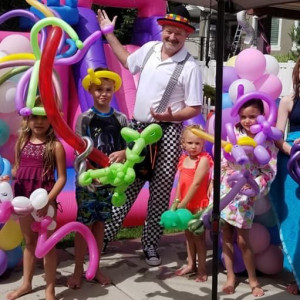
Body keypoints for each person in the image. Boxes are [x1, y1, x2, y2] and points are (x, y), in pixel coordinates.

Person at [98, 5, 202, 266]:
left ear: (186, 35)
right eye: (169, 31)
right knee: (127, 182)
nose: (172, 37)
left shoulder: (189, 66)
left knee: (160, 190)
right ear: (162, 30)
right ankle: (103, 239)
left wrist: (172, 117)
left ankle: (150, 244)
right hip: (138, 128)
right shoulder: (149, 50)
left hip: (167, 134)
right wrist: (109, 34)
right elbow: (126, 61)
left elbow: (195, 107)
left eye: (178, 33)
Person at [67, 67, 128, 289]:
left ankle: (96, 267)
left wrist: (123, 153)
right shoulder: (85, 118)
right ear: (91, 91)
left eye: (108, 89)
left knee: (100, 224)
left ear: (114, 91)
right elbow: (79, 149)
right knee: (84, 224)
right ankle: (77, 270)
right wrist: (92, 175)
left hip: (109, 183)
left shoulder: (121, 119)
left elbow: (129, 148)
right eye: (99, 89)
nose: (104, 93)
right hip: (88, 182)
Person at [6, 96, 67, 300]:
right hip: (24, 198)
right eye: (34, 117)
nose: (38, 122)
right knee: (29, 242)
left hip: (45, 200)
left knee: (47, 244)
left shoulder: (54, 146)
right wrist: (8, 176)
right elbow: (19, 168)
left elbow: (62, 178)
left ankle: (50, 288)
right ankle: (26, 284)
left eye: (43, 117)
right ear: (27, 119)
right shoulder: (21, 142)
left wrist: (48, 200)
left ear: (51, 119)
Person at [219, 99, 277, 297]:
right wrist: (217, 184)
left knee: (243, 240)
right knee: (225, 235)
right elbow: (222, 160)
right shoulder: (233, 134)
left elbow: (269, 170)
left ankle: (253, 280)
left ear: (262, 116)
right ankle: (230, 277)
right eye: (243, 116)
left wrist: (254, 185)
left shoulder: (267, 141)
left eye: (252, 116)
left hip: (246, 194)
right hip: (226, 189)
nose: (247, 121)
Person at [269, 56, 300, 295]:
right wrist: (291, 149)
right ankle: (298, 276)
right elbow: (277, 136)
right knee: (295, 221)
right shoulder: (288, 101)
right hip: (292, 165)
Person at [174, 125, 213, 282]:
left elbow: (196, 184)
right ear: (183, 143)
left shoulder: (203, 160)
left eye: (197, 143)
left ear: (203, 143)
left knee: (199, 238)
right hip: (185, 203)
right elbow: (181, 183)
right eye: (190, 143)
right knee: (188, 235)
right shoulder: (183, 159)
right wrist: (177, 200)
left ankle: (202, 270)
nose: (194, 146)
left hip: (197, 205)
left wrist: (183, 203)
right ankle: (191, 264)